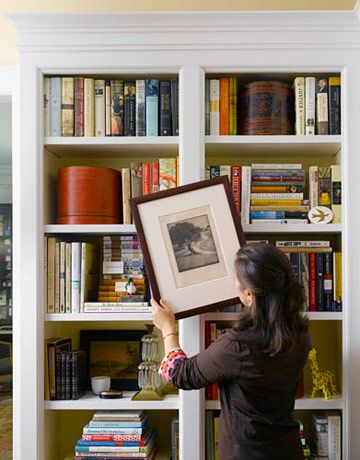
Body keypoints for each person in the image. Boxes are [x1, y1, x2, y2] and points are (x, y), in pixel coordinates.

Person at [151, 242, 310, 460]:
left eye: (237, 280)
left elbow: (180, 374)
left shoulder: (237, 345)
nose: (234, 284)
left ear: (250, 295)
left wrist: (168, 328)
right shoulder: (300, 332)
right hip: (288, 450)